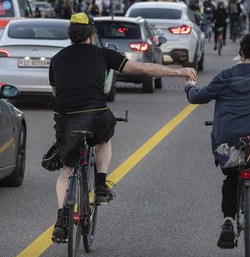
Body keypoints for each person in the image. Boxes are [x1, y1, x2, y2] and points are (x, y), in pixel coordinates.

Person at [49, 13, 197, 242]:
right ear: (91, 35)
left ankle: (61, 220)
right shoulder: (102, 54)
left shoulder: (57, 58)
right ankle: (100, 184)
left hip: (66, 119)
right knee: (104, 138)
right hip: (95, 116)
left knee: (66, 170)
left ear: (70, 34)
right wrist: (178, 71)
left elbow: (56, 93)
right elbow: (143, 69)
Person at [184, 34, 250, 249]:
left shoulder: (224, 76)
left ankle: (227, 223)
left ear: (241, 52)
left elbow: (197, 97)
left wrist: (189, 85)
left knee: (231, 179)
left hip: (225, 146)